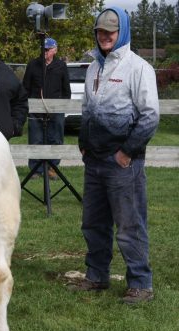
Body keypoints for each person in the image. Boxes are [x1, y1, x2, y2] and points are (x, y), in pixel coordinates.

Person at [69, 7, 159, 304]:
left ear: (122, 32)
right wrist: (83, 143)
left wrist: (126, 152)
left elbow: (149, 117)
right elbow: (87, 110)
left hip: (123, 163)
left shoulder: (138, 67)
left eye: (110, 31)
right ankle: (96, 276)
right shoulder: (94, 66)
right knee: (93, 223)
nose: (104, 36)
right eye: (100, 31)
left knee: (130, 225)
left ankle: (140, 283)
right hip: (94, 160)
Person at [22, 37, 71, 179]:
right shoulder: (33, 65)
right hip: (36, 110)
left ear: (54, 50)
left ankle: (53, 168)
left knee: (55, 139)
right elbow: (26, 87)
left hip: (56, 110)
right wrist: (28, 105)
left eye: (47, 49)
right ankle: (35, 170)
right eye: (43, 49)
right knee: (35, 139)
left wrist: (62, 106)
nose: (44, 52)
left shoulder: (61, 66)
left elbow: (66, 89)